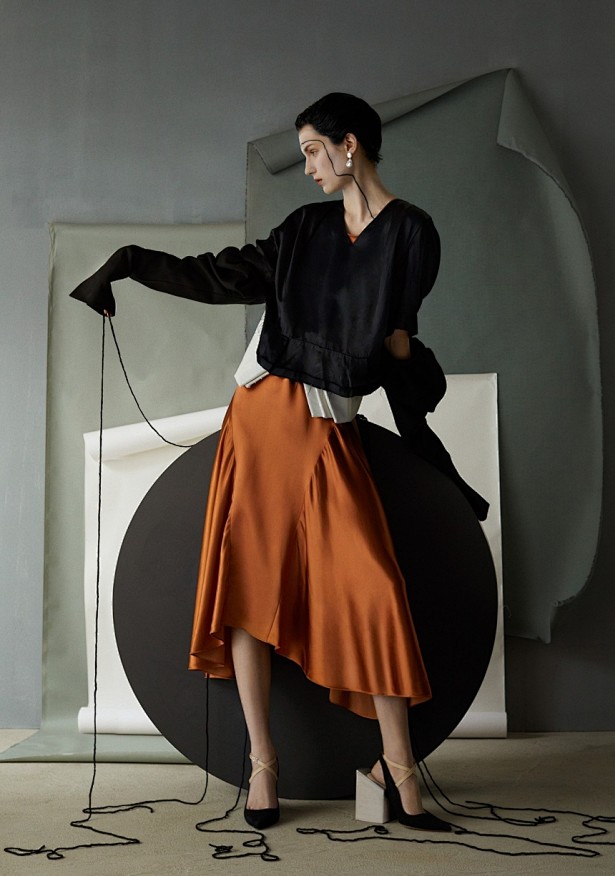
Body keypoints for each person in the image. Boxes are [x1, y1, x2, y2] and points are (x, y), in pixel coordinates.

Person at [71, 92, 485, 833]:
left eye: (314, 151)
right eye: (304, 155)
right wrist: (128, 265)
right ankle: (263, 763)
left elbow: (397, 341)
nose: (309, 167)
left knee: (374, 589)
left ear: (350, 144)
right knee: (250, 592)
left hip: (329, 427)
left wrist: (417, 405)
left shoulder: (411, 233)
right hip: (263, 418)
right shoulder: (304, 229)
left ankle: (397, 768)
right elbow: (221, 275)